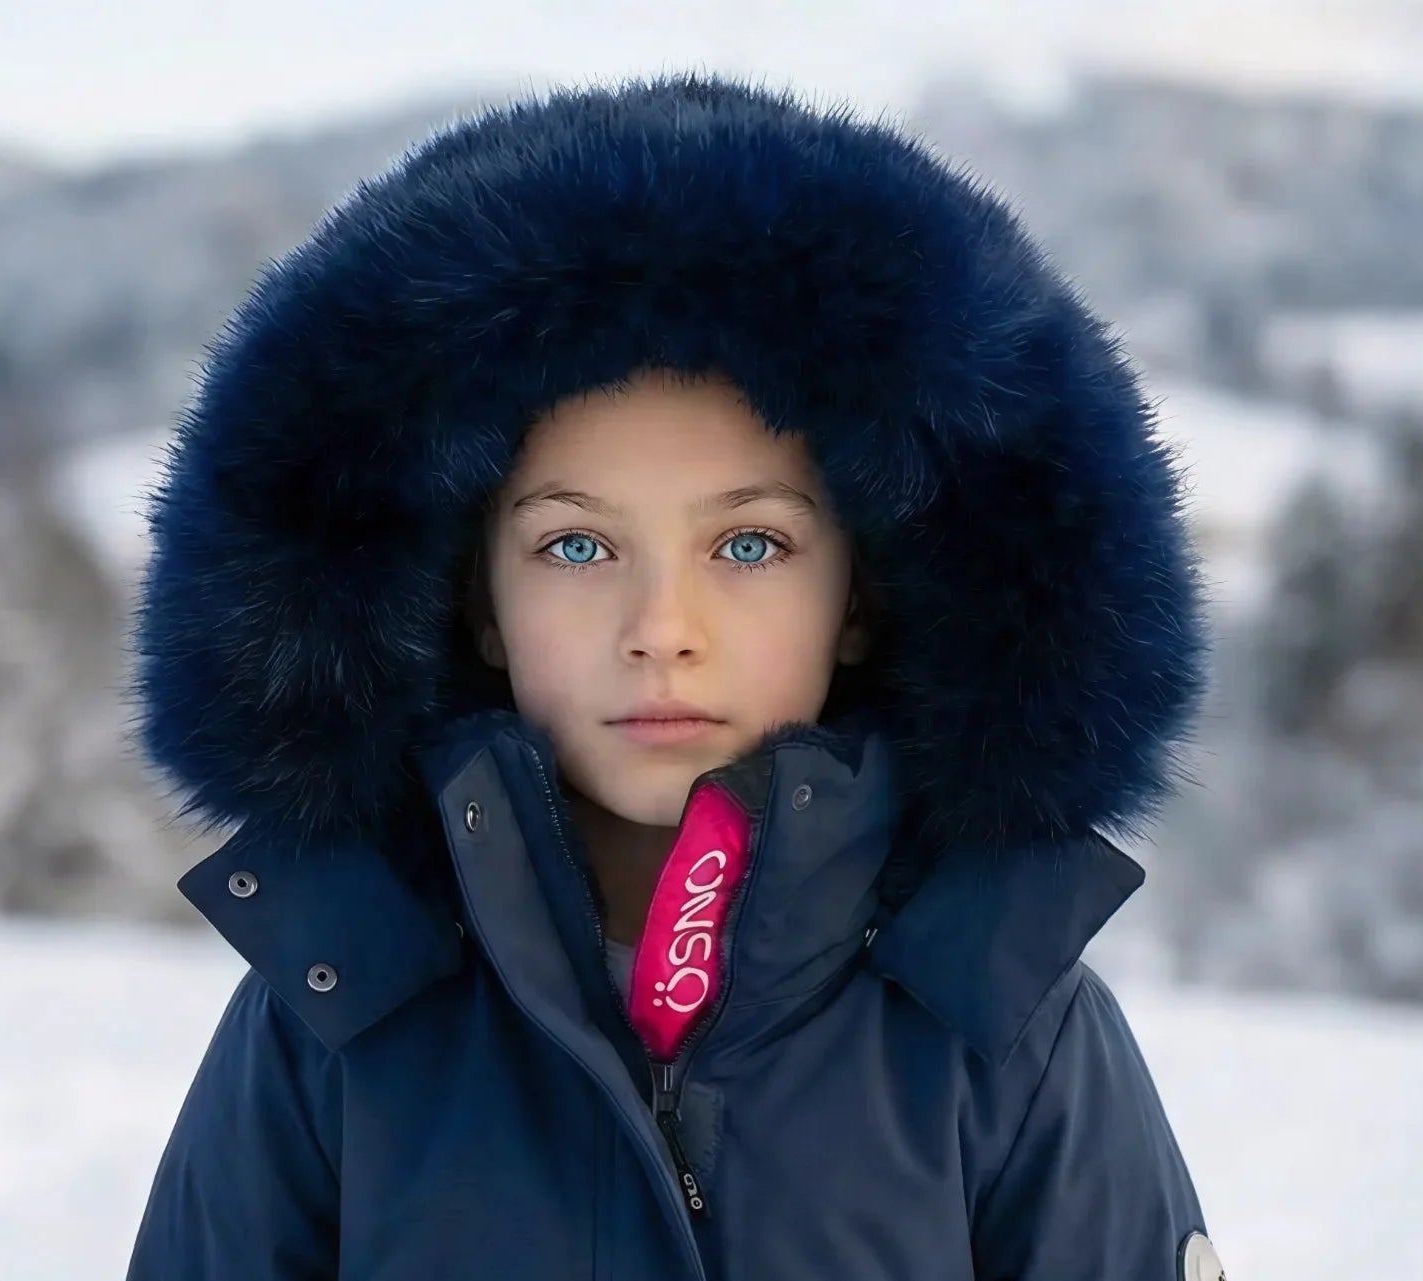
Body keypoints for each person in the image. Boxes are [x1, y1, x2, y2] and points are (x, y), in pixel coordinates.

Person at [125, 72, 1224, 1281]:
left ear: (857, 604)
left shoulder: (1004, 1026)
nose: (662, 627)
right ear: (475, 606)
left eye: (748, 545)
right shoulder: (337, 1019)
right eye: (577, 546)